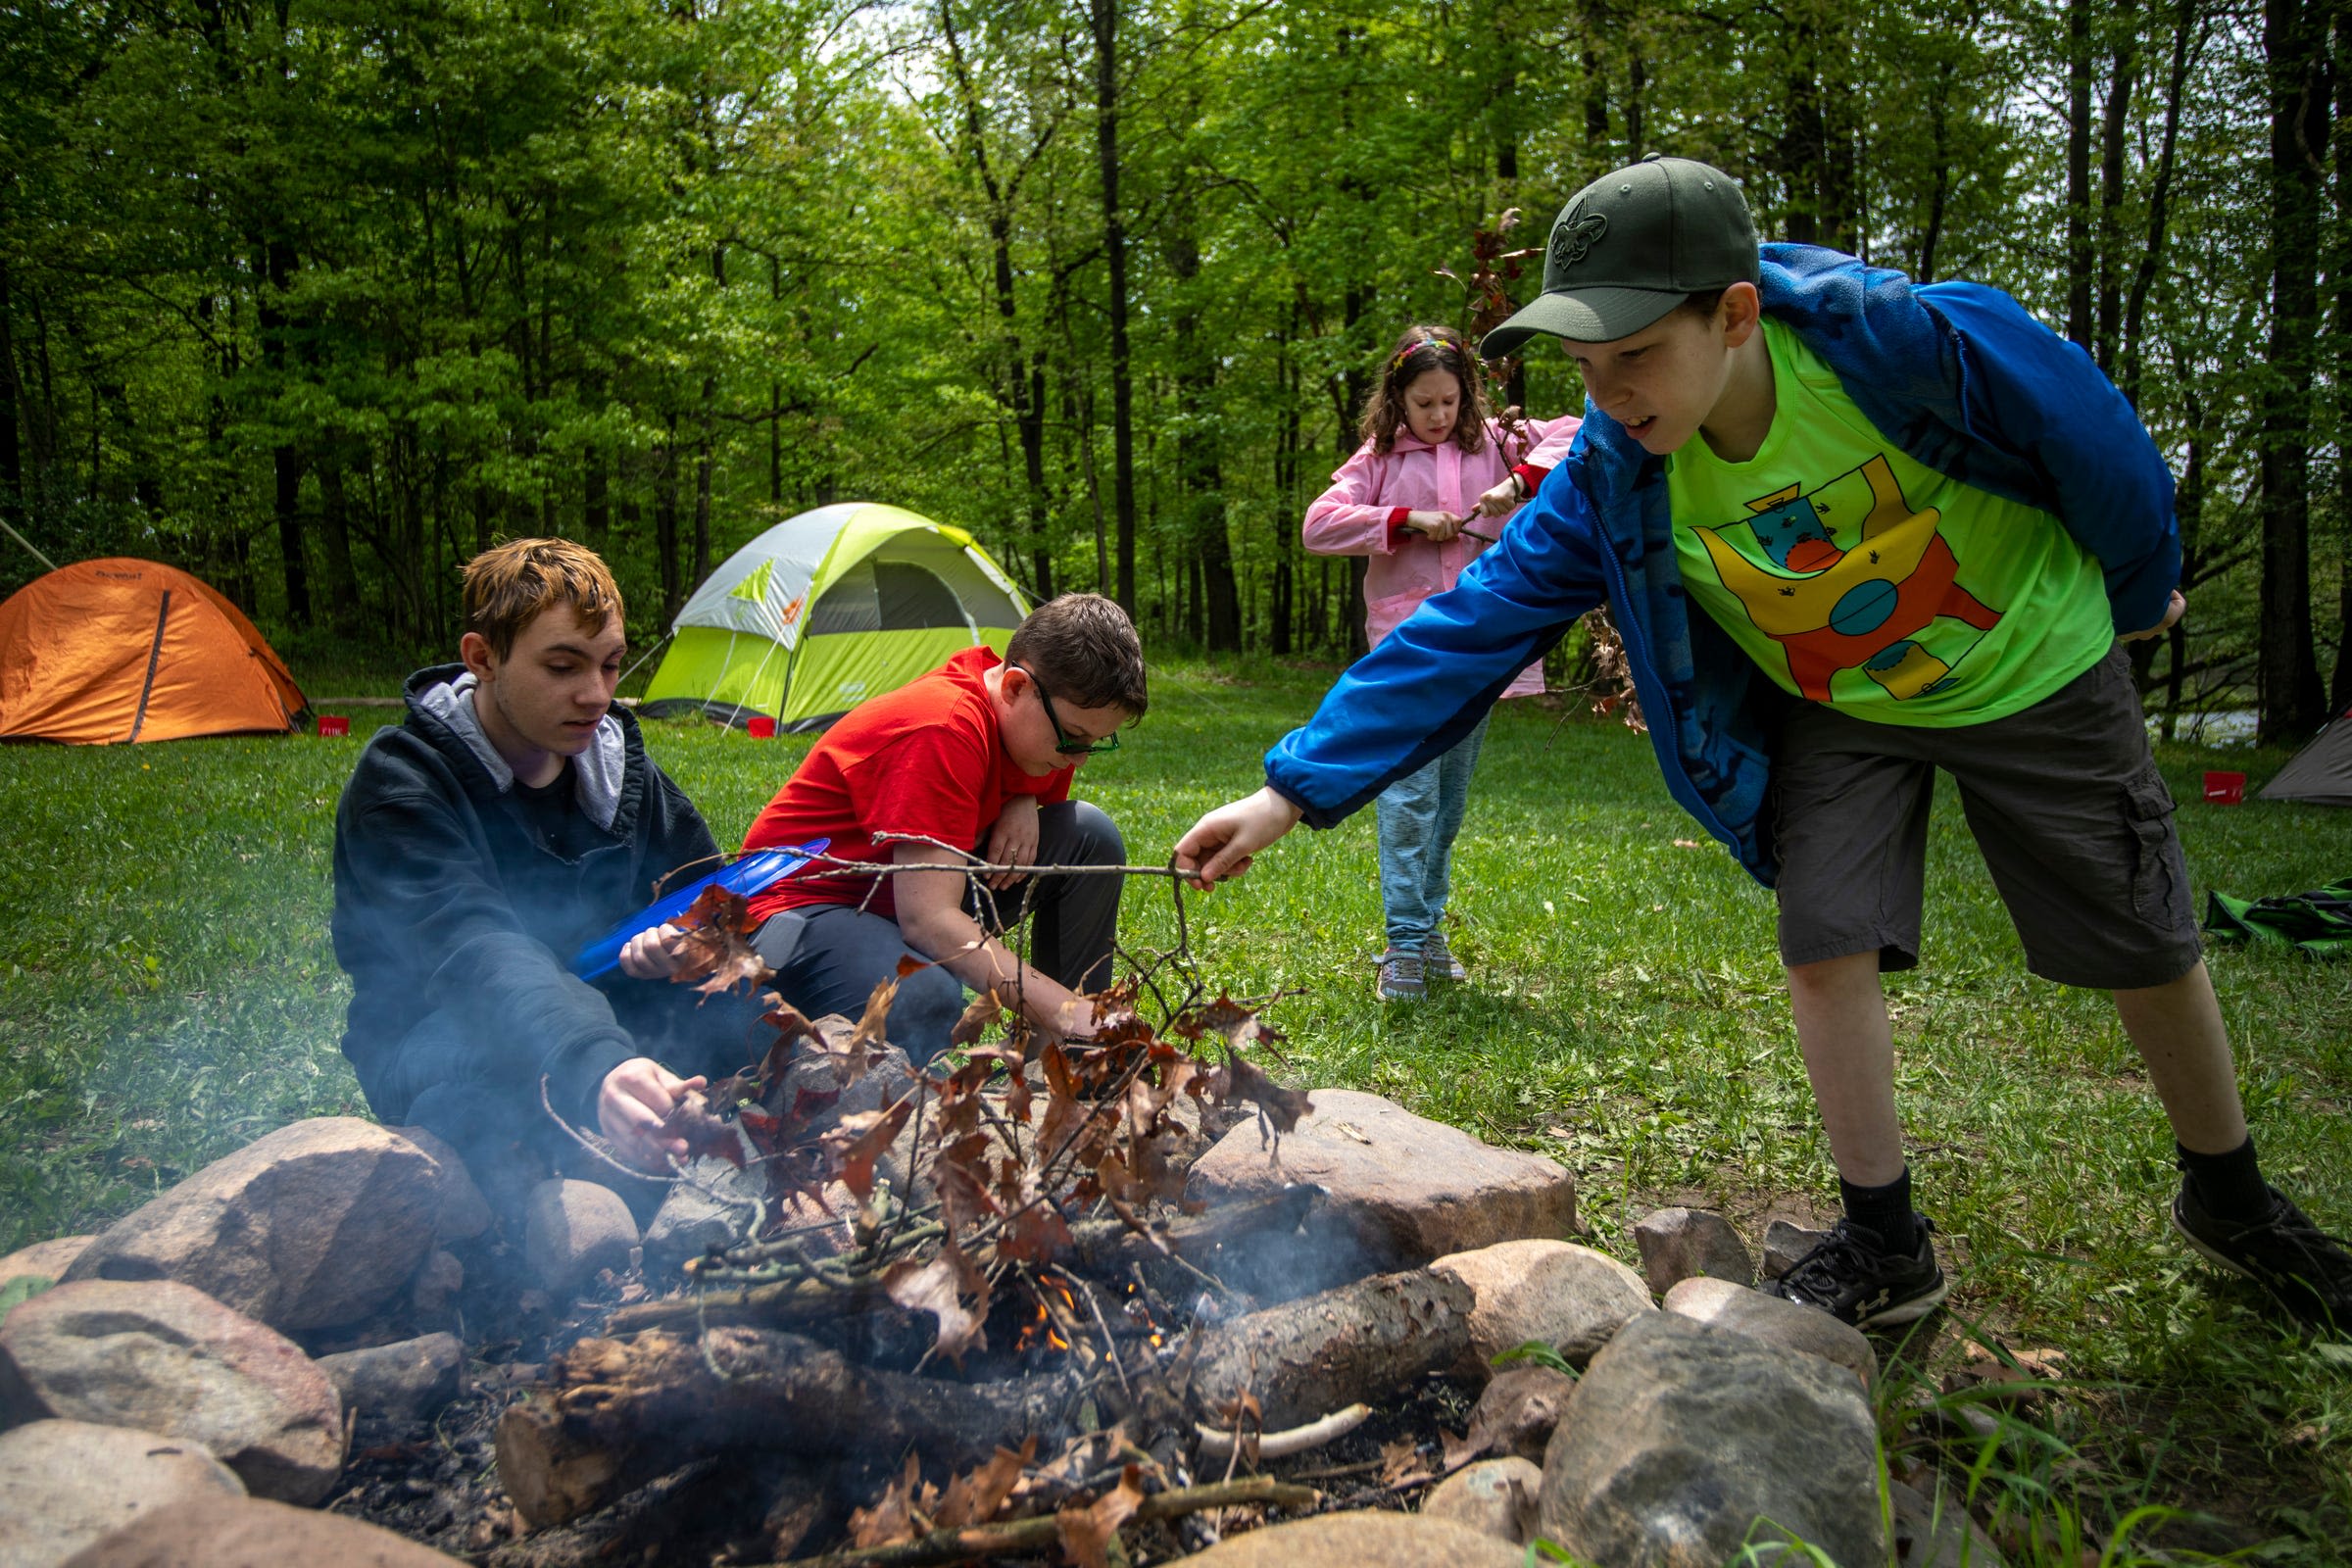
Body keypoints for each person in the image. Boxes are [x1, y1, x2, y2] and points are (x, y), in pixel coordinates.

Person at [1173, 155, 2352, 1331]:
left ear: (1735, 314)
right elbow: (1467, 626)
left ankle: (2231, 1194)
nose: (1613, 393)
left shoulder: (1896, 347)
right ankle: (1887, 1242)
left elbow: (2089, 435)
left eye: (1636, 355)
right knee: (1824, 936)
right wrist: (1290, 793)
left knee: (2142, 934)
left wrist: (2144, 584)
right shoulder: (1613, 473)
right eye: (1587, 369)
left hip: (2032, 659)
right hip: (1845, 704)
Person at [333, 539, 758, 1186]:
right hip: (443, 1030)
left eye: (612, 667)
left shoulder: (619, 769)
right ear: (483, 658)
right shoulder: (404, 783)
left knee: (764, 996)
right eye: (563, 666)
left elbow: (709, 893)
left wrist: (687, 942)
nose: (596, 695)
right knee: (484, 1108)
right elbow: (474, 949)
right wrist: (597, 1063)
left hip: (601, 1017)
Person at [740, 592, 1147, 1060]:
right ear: (1014, 687)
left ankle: (1072, 1063)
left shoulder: (1040, 727)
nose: (1078, 758)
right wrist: (1073, 1012)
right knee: (922, 997)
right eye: (1074, 738)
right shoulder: (943, 727)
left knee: (1088, 837)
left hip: (894, 898)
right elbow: (929, 922)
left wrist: (1022, 794)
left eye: (1096, 742)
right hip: (799, 911)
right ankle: (1080, 1032)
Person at [1303, 323, 1581, 1001]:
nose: (1437, 417)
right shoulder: (1379, 458)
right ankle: (1402, 942)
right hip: (1409, 653)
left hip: (1482, 648)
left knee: (1448, 803)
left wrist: (1514, 486)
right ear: (1397, 400)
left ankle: (1427, 933)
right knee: (1408, 796)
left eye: (1450, 403)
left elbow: (1580, 431)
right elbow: (1319, 524)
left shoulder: (1497, 441)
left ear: (1468, 397)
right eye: (1423, 404)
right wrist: (1406, 519)